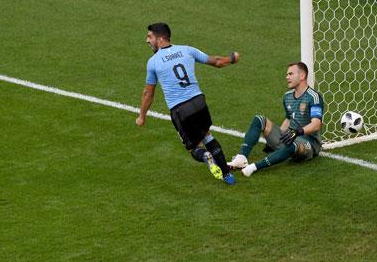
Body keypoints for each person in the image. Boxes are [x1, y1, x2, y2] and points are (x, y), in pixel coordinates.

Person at [136, 23, 239, 185]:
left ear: (161, 39)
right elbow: (217, 61)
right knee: (207, 135)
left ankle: (206, 156)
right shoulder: (187, 50)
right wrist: (232, 59)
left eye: (150, 37)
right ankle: (227, 175)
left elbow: (148, 93)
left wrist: (142, 116)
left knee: (194, 148)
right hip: (199, 101)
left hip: (180, 109)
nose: (147, 40)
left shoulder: (153, 62)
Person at [228, 61, 323, 177]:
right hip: (290, 137)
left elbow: (316, 124)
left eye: (290, 74)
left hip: (309, 143)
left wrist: (297, 132)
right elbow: (288, 119)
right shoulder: (287, 96)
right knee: (259, 119)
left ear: (302, 76)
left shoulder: (313, 97)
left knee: (292, 145)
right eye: (287, 74)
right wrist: (278, 138)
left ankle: (255, 167)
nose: (287, 77)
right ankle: (242, 158)